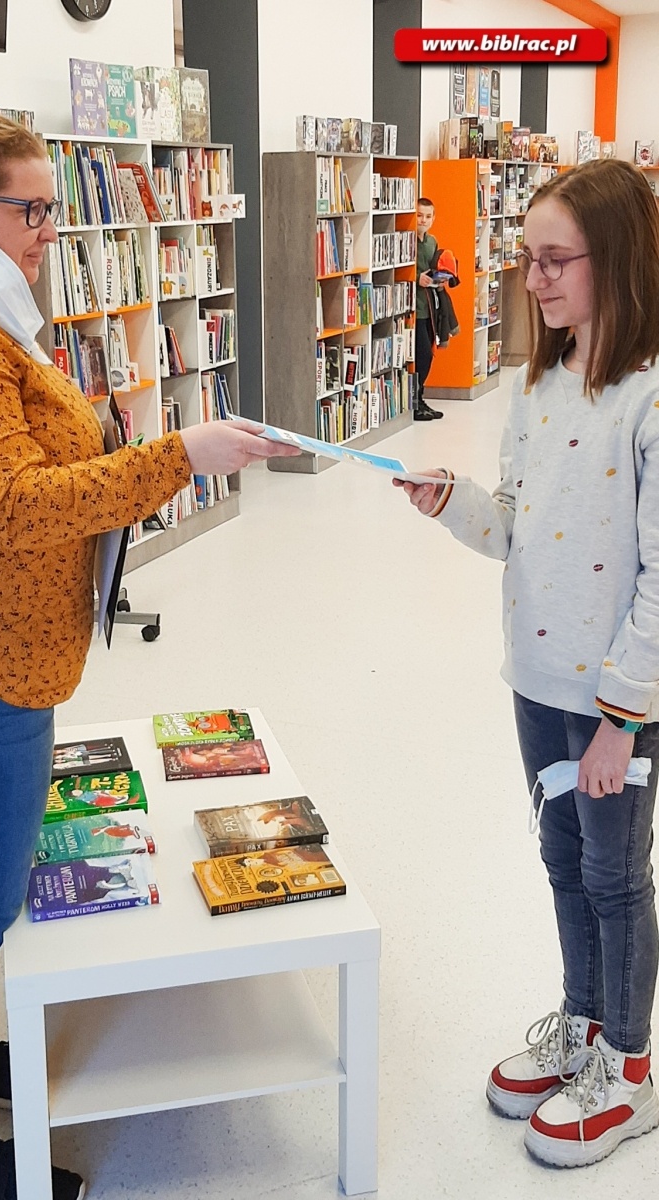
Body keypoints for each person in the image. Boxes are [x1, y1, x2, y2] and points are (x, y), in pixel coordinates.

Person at [0, 110, 298, 1200]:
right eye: (33, 210)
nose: (50, 231)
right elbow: (12, 504)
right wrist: (175, 455)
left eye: (56, 210)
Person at [396, 159, 659, 1168]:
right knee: (561, 863)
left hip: (613, 705)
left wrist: (620, 719)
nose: (534, 280)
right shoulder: (538, 381)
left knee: (612, 874)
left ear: (619, 262)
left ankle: (629, 1071)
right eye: (527, 261)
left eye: (554, 261)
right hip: (535, 683)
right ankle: (583, 1027)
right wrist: (452, 502)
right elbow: (513, 526)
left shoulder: (645, 400)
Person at [414, 196, 445, 421]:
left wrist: (440, 278)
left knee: (429, 355)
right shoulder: (406, 240)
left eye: (427, 216)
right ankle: (415, 402)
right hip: (413, 307)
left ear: (433, 218)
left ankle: (420, 397)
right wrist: (417, 279)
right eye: (419, 215)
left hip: (429, 308)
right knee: (421, 355)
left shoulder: (432, 242)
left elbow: (434, 268)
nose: (423, 220)